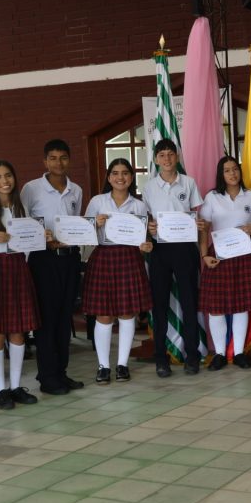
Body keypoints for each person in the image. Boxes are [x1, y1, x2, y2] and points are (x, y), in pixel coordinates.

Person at [0, 161, 41, 410]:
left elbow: (30, 240)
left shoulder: (21, 209)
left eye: (8, 176)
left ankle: (15, 387)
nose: (4, 181)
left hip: (18, 266)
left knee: (18, 330)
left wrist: (41, 236)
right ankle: (0, 389)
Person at [20, 139, 85, 395]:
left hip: (69, 259)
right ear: (45, 161)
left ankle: (61, 373)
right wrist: (42, 238)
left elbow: (75, 224)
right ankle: (47, 377)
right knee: (46, 319)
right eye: (53, 158)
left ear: (69, 160)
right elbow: (23, 223)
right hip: (43, 261)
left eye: (63, 157)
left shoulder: (76, 190)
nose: (59, 163)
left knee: (64, 316)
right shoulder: (31, 189)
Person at [84, 158, 154, 384]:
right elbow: (84, 234)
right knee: (103, 315)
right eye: (115, 173)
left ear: (131, 178)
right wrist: (94, 224)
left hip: (130, 259)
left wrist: (146, 246)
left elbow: (144, 238)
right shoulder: (97, 201)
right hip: (104, 257)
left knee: (127, 313)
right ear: (109, 177)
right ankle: (103, 366)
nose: (120, 177)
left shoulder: (139, 205)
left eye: (125, 173)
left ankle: (122, 365)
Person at [199, 156, 251, 371]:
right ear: (221, 174)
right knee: (216, 308)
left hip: (245, 255)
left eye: (235, 169)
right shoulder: (212, 197)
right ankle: (219, 354)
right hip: (219, 256)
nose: (232, 173)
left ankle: (239, 353)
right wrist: (204, 255)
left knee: (241, 306)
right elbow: (204, 228)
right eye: (227, 170)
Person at [144, 139, 205, 378]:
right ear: (156, 159)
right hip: (160, 249)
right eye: (162, 155)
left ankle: (192, 357)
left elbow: (198, 215)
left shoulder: (188, 182)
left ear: (177, 158)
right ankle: (161, 358)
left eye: (171, 154)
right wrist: (149, 227)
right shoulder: (149, 187)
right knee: (159, 304)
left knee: (189, 302)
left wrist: (199, 225)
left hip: (185, 249)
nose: (167, 159)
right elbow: (146, 218)